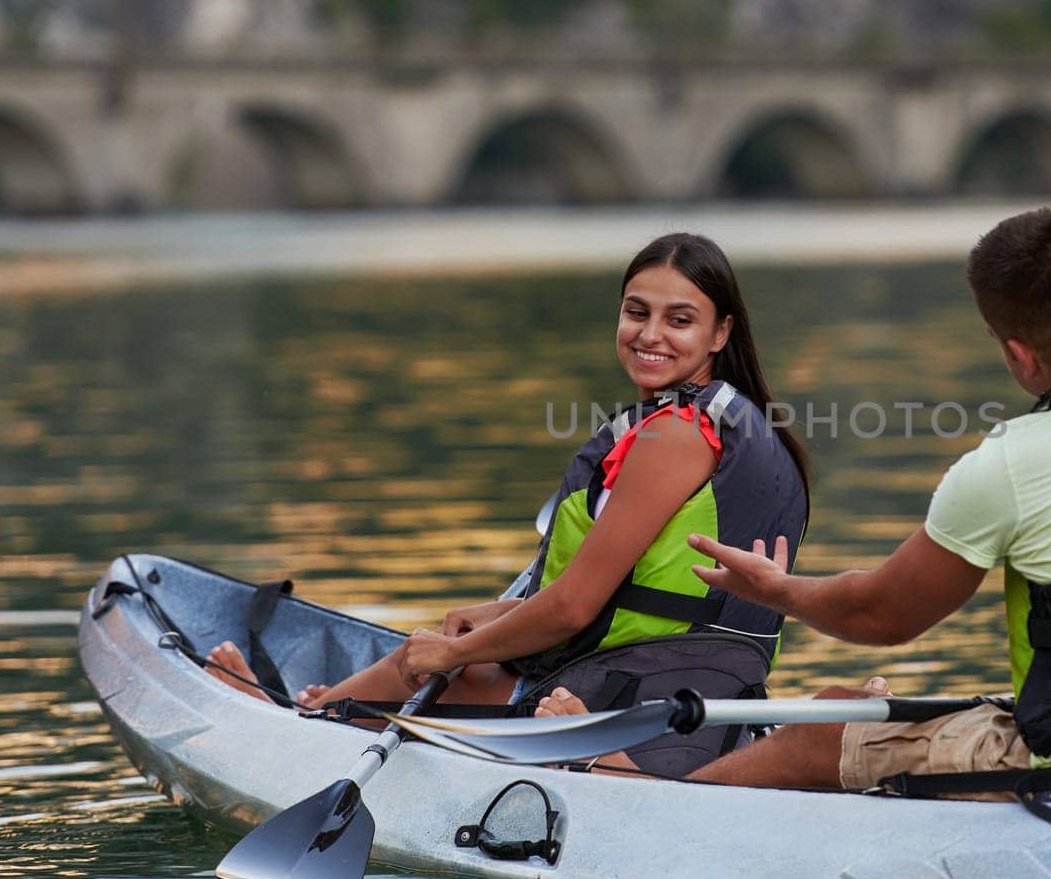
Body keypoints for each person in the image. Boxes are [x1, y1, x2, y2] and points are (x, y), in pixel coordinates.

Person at [555, 207, 1051, 796]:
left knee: (825, 726)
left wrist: (778, 593)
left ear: (1018, 355)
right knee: (861, 707)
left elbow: (882, 616)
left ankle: (662, 801)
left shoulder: (1019, 458)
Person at [207, 233, 810, 773]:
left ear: (720, 332)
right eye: (635, 313)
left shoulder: (674, 434)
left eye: (678, 320)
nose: (649, 335)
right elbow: (631, 593)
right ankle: (327, 711)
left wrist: (457, 650)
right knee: (454, 647)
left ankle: (304, 727)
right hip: (692, 698)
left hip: (633, 699)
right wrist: (494, 616)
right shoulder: (736, 424)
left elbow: (574, 607)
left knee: (433, 662)